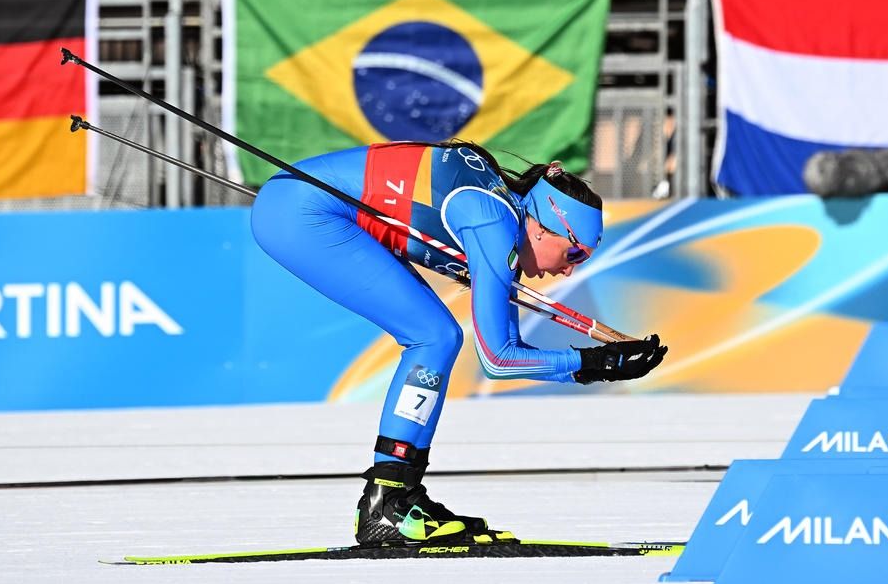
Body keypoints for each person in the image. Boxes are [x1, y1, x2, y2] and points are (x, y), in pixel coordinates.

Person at [251, 140, 668, 546]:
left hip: (299, 202)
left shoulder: (503, 218)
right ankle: (388, 501)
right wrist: (592, 363)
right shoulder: (494, 224)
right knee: (432, 337)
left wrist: (594, 366)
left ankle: (396, 496)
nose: (569, 271)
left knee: (438, 336)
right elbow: (498, 359)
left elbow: (510, 349)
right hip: (304, 211)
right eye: (574, 254)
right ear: (542, 229)